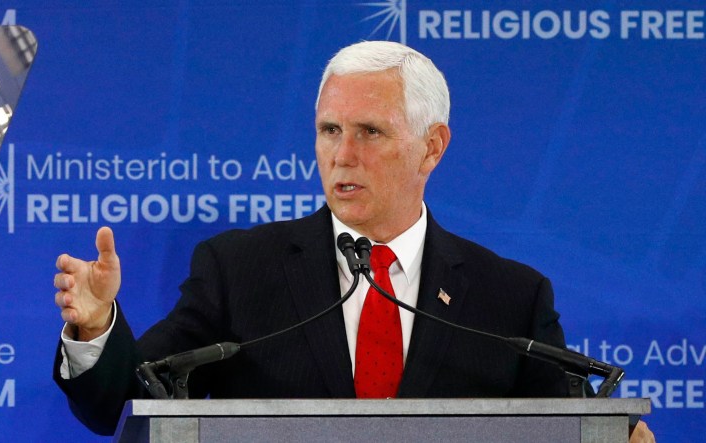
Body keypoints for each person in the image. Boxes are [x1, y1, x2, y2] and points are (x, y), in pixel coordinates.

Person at [53, 41, 654, 442]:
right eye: (329, 129)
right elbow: (130, 404)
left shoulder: (511, 297)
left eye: (370, 131)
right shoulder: (240, 269)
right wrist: (96, 326)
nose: (343, 154)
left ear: (432, 147)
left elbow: (569, 425)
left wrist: (611, 435)